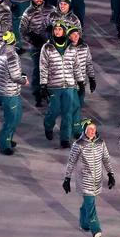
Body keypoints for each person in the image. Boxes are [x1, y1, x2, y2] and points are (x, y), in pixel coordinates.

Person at [63, 118, 115, 237]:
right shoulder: (78, 145)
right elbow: (71, 162)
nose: (92, 131)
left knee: (88, 203)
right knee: (91, 204)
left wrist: (110, 174)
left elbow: (106, 159)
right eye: (90, 129)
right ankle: (95, 228)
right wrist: (67, 178)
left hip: (97, 180)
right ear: (84, 130)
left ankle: (84, 223)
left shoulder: (100, 142)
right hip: (85, 180)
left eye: (94, 128)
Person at [40, 20, 84, 148]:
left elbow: (76, 66)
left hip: (69, 85)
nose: (57, 32)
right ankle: (48, 125)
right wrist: (43, 85)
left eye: (60, 30)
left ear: (64, 31)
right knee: (54, 110)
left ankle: (65, 138)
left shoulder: (71, 47)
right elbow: (43, 67)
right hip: (54, 86)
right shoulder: (47, 47)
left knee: (67, 112)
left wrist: (80, 81)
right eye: (55, 30)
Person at [19, 0, 53, 106]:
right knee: (37, 70)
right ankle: (37, 94)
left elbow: (59, 23)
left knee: (51, 70)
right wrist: (32, 40)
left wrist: (52, 31)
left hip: (50, 46)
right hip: (36, 47)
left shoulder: (51, 9)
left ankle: (49, 93)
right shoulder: (28, 13)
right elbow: (22, 30)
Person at [0, 31, 27, 155]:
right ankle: (4, 144)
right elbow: (15, 77)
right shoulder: (11, 56)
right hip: (10, 91)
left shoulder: (1, 48)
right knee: (11, 119)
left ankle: (8, 139)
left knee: (17, 115)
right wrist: (24, 80)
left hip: (7, 90)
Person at [67, 25, 96, 137]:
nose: (75, 36)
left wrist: (92, 78)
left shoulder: (85, 47)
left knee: (78, 107)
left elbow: (88, 63)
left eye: (77, 34)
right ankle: (72, 130)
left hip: (82, 83)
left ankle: (76, 129)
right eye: (73, 34)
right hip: (70, 84)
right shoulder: (66, 48)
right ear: (68, 36)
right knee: (72, 108)